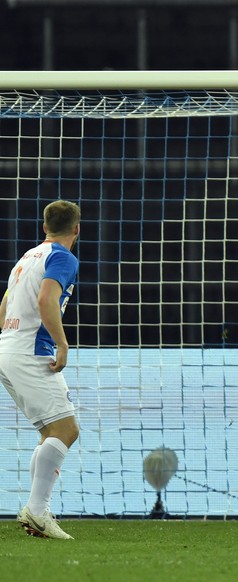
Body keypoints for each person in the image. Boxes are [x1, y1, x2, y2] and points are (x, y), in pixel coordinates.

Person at [0, 200, 81, 540]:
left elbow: (4, 305)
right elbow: (47, 299)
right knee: (66, 430)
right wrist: (62, 344)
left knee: (51, 431)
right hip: (31, 352)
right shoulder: (62, 257)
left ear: (44, 226)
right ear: (76, 228)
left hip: (8, 347)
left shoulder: (26, 257)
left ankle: (38, 510)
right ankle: (36, 510)